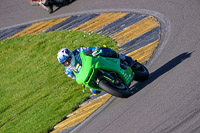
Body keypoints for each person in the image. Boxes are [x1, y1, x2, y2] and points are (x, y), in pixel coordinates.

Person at [57, 46, 135, 95]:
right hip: (88, 74)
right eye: (64, 63)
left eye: (67, 60)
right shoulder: (68, 71)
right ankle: (112, 86)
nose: (67, 63)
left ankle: (124, 58)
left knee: (104, 51)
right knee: (94, 91)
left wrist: (94, 51)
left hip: (93, 64)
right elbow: (75, 77)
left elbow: (88, 50)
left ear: (71, 55)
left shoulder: (78, 51)